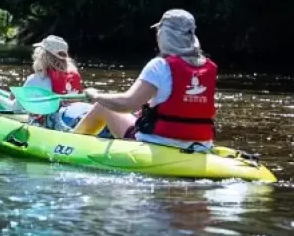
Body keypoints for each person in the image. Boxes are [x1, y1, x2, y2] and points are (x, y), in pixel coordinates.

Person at [73, 9, 216, 150]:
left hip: (159, 142)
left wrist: (96, 96)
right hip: (201, 145)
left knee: (102, 106)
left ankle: (70, 145)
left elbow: (128, 104)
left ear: (165, 35)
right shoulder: (208, 67)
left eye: (159, 31)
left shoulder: (160, 65)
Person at [0, 35, 89, 131]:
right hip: (68, 117)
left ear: (42, 55)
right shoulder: (72, 75)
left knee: (0, 99)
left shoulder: (36, 79)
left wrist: (8, 97)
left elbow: (15, 107)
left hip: (47, 123)